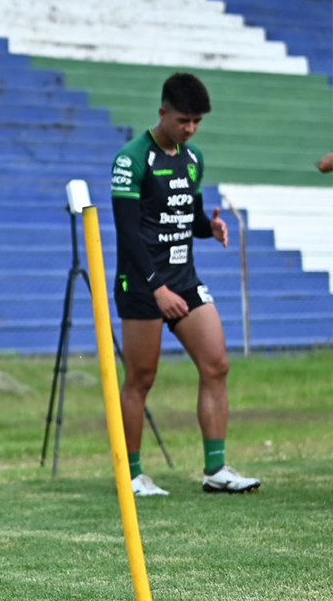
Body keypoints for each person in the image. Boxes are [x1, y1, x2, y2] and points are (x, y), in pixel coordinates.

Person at [110, 72, 261, 497]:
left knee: (217, 364)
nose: (189, 129)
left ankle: (216, 469)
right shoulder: (132, 159)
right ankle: (133, 475)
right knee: (141, 378)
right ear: (162, 113)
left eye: (196, 121)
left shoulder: (192, 160)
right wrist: (156, 287)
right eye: (183, 120)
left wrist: (208, 227)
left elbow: (187, 216)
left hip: (185, 279)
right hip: (144, 284)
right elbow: (128, 232)